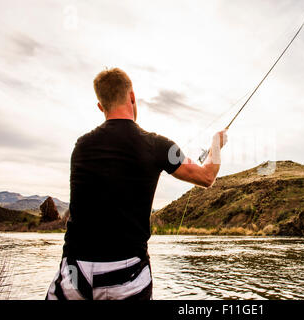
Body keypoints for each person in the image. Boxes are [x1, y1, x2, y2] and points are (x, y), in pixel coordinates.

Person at [46, 68, 227, 300]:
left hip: (74, 273)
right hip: (127, 275)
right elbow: (206, 177)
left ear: (101, 106)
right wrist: (216, 145)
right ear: (132, 96)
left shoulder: (81, 146)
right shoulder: (159, 146)